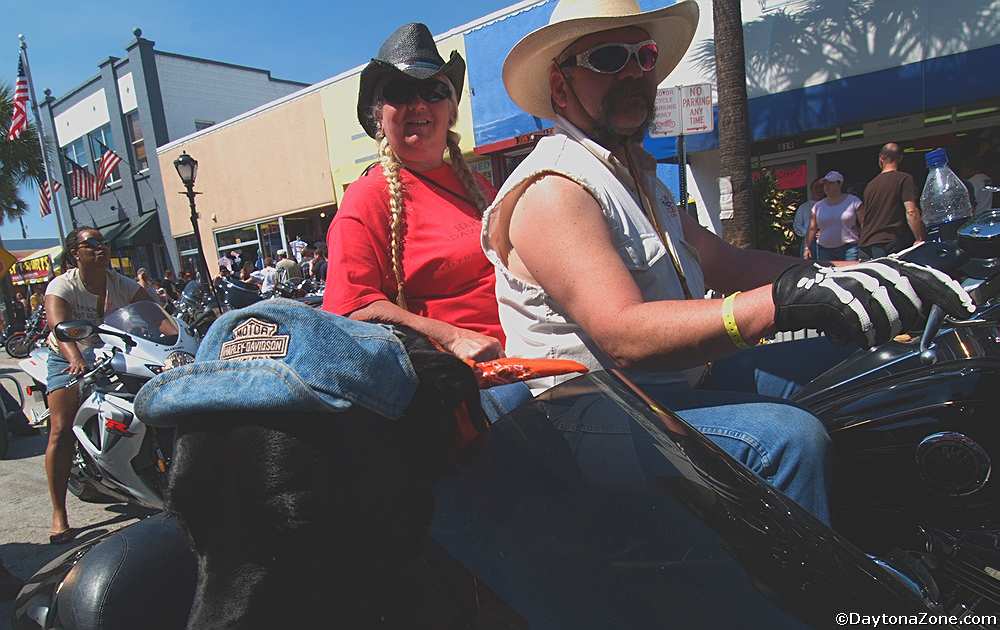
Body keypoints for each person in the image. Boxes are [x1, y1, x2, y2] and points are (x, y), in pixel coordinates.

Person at [480, 0, 973, 524]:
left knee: (858, 368)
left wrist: (863, 276)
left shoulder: (639, 181)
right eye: (606, 58)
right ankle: (805, 602)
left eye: (643, 56)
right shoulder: (556, 187)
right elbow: (624, 335)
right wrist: (783, 304)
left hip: (667, 389)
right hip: (589, 414)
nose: (632, 72)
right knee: (786, 441)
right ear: (561, 87)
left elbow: (730, 263)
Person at [324, 22, 503, 365]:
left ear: (451, 111)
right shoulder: (367, 199)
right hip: (465, 380)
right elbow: (351, 308)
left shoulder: (479, 188)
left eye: (433, 92)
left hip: (534, 354)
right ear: (379, 116)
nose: (418, 104)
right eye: (400, 92)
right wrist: (453, 337)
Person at [44, 227, 149, 544]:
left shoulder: (120, 283)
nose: (101, 248)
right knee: (61, 429)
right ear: (76, 252)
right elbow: (58, 327)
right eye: (92, 244)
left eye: (103, 242)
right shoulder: (63, 285)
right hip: (68, 358)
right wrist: (75, 358)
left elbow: (154, 313)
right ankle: (59, 513)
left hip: (111, 355)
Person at [858, 142, 927, 259]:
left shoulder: (870, 185)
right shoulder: (904, 179)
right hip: (889, 244)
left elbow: (865, 218)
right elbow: (911, 211)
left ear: (881, 158)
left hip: (866, 245)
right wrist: (919, 238)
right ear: (900, 158)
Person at [803, 171, 861, 262]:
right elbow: (812, 228)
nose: (826, 187)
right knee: (826, 275)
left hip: (849, 248)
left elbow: (864, 222)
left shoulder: (853, 201)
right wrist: (807, 247)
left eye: (830, 183)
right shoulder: (818, 206)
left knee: (849, 274)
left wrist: (864, 241)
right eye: (825, 184)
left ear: (839, 184)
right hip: (824, 250)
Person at [793, 178, 824, 258]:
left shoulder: (830, 206)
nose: (819, 190)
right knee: (807, 267)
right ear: (811, 189)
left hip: (827, 242)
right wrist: (809, 233)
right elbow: (797, 225)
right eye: (816, 187)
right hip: (808, 242)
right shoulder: (804, 207)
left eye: (821, 187)